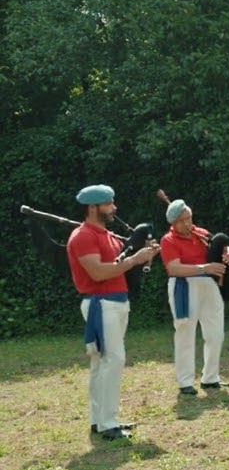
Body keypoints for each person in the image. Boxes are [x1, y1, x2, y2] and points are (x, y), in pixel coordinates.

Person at [66, 184, 159, 440]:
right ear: (93, 207)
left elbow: (124, 268)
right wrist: (134, 259)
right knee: (113, 360)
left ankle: (100, 420)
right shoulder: (83, 236)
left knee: (101, 363)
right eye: (108, 204)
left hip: (114, 302)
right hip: (101, 303)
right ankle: (108, 423)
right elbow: (98, 272)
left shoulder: (106, 235)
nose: (114, 208)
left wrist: (146, 256)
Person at [160, 199, 229, 397]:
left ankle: (210, 377)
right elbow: (173, 267)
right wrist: (204, 268)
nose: (187, 223)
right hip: (184, 285)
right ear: (173, 223)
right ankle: (185, 381)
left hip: (208, 284)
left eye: (189, 218)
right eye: (183, 220)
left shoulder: (200, 232)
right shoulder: (168, 240)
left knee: (215, 331)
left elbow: (223, 247)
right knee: (185, 332)